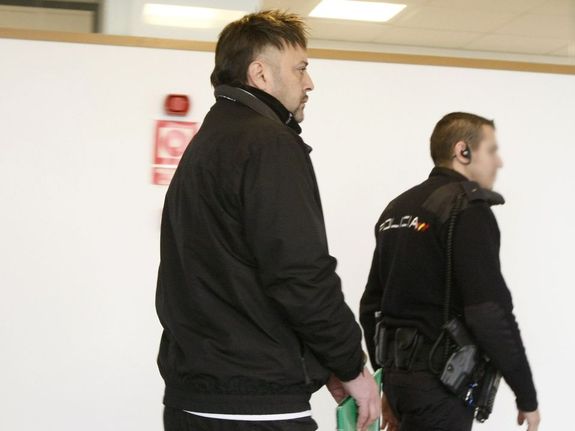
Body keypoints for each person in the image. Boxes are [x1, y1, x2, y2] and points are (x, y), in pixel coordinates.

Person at [155, 10, 380, 431]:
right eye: (300, 68)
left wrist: (325, 361)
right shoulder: (269, 144)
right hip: (256, 403)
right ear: (260, 73)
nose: (309, 83)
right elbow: (300, 275)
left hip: (194, 399)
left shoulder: (206, 143)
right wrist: (351, 365)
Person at [360, 112, 541, 431]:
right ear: (463, 151)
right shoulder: (467, 208)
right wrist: (526, 395)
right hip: (439, 388)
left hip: (401, 384)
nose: (498, 162)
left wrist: (387, 382)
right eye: (491, 150)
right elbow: (489, 312)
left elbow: (371, 307)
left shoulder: (397, 208)